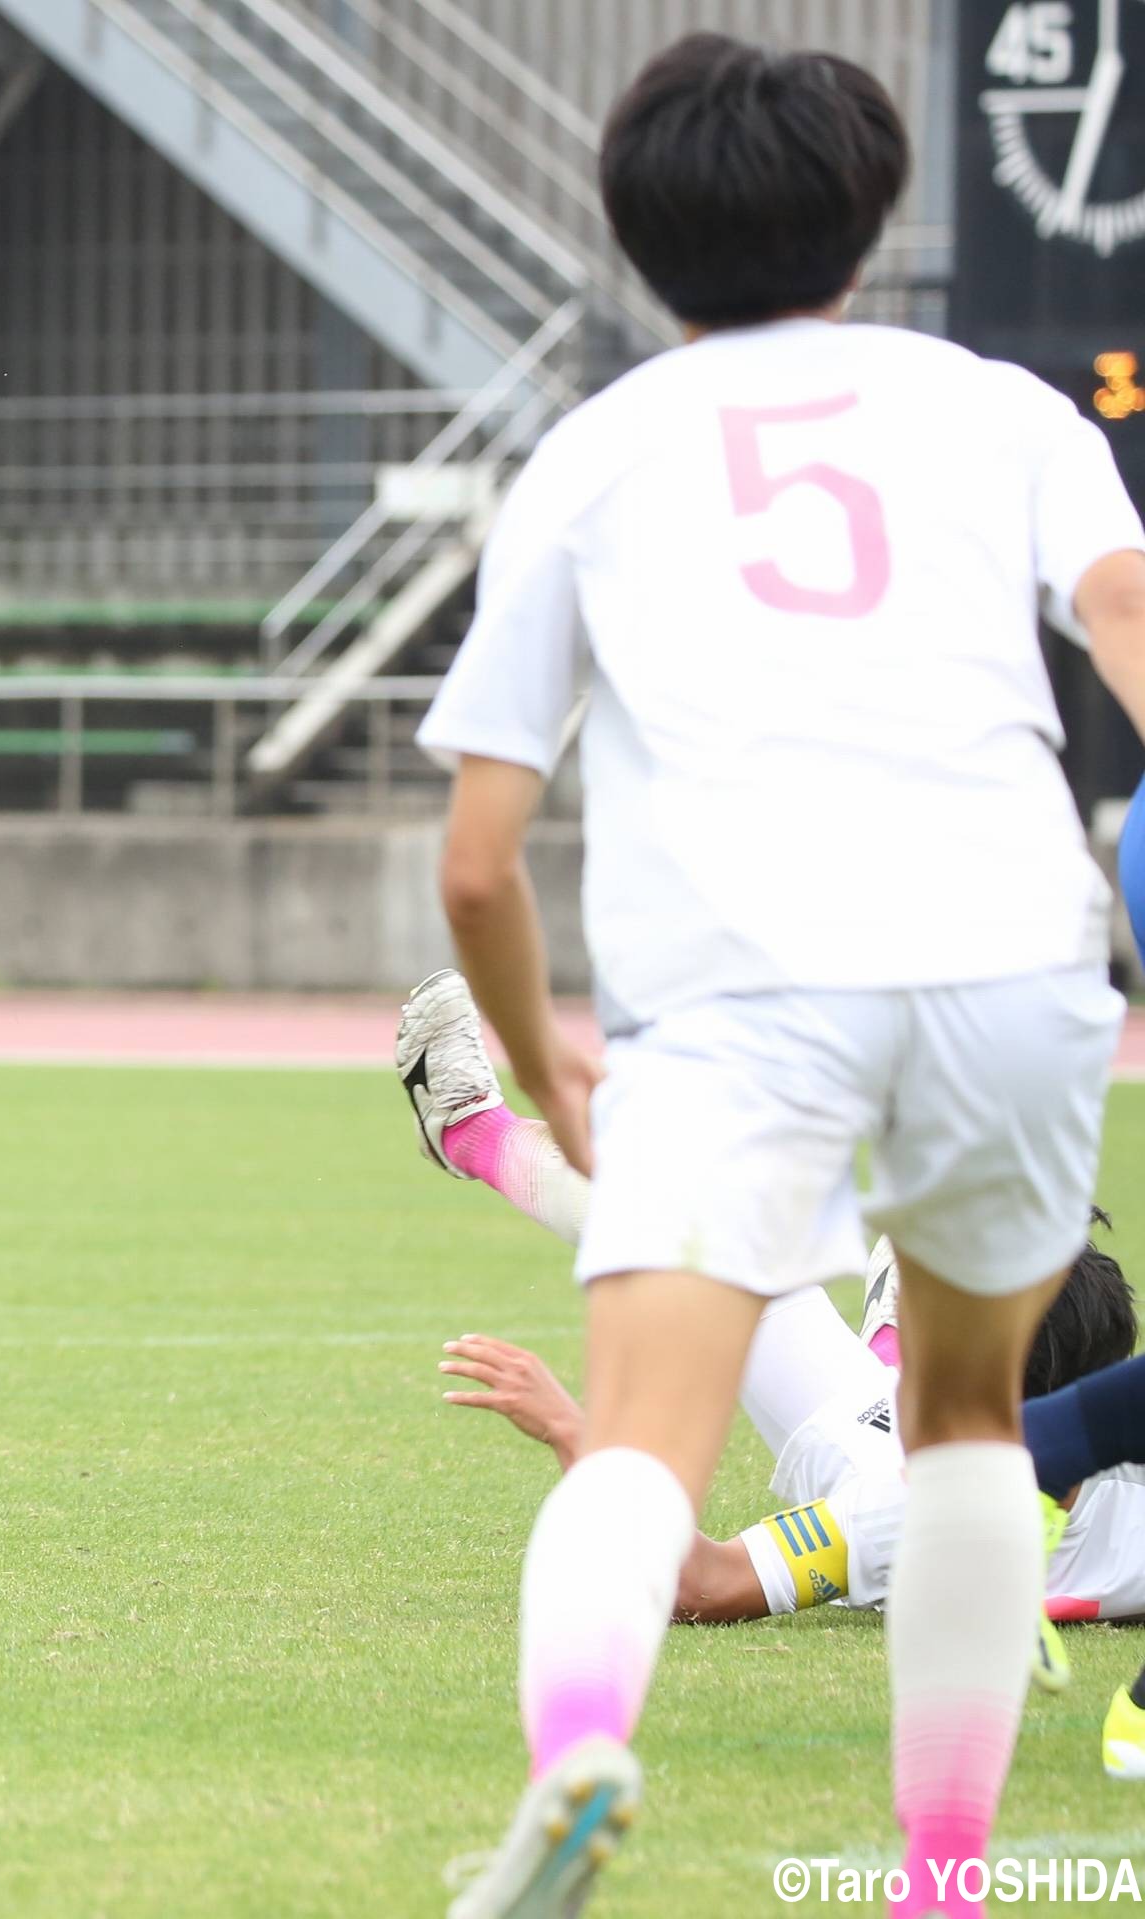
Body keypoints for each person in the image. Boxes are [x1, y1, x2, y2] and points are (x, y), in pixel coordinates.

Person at [419, 36, 1145, 1919]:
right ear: (873, 201)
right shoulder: (1007, 408)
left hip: (739, 982)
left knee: (650, 1430)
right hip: (1011, 952)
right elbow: (1129, 621)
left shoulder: (591, 455)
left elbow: (478, 856)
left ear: (635, 226)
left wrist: (541, 1063)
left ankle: (580, 1745)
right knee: (975, 1423)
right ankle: (944, 1873)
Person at [405, 974, 1145, 1644]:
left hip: (873, 1445)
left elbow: (702, 1581)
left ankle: (469, 1128)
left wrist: (569, 1426)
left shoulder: (898, 1510)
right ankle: (895, 1324)